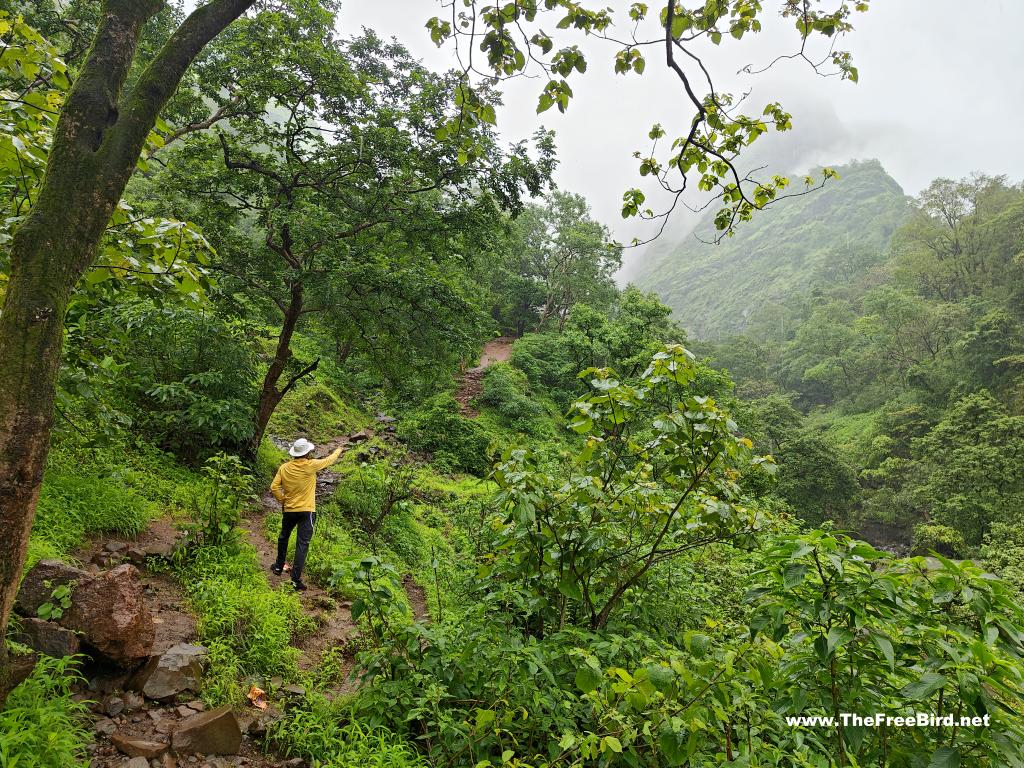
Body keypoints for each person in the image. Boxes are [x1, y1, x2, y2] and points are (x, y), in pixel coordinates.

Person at [270, 438, 343, 591]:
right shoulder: (311, 465)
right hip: (307, 511)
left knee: (284, 536)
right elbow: (329, 460)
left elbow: (274, 487)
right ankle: (295, 580)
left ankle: (278, 566)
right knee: (302, 545)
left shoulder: (284, 468)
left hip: (289, 510)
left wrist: (282, 500)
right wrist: (339, 450)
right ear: (307, 452)